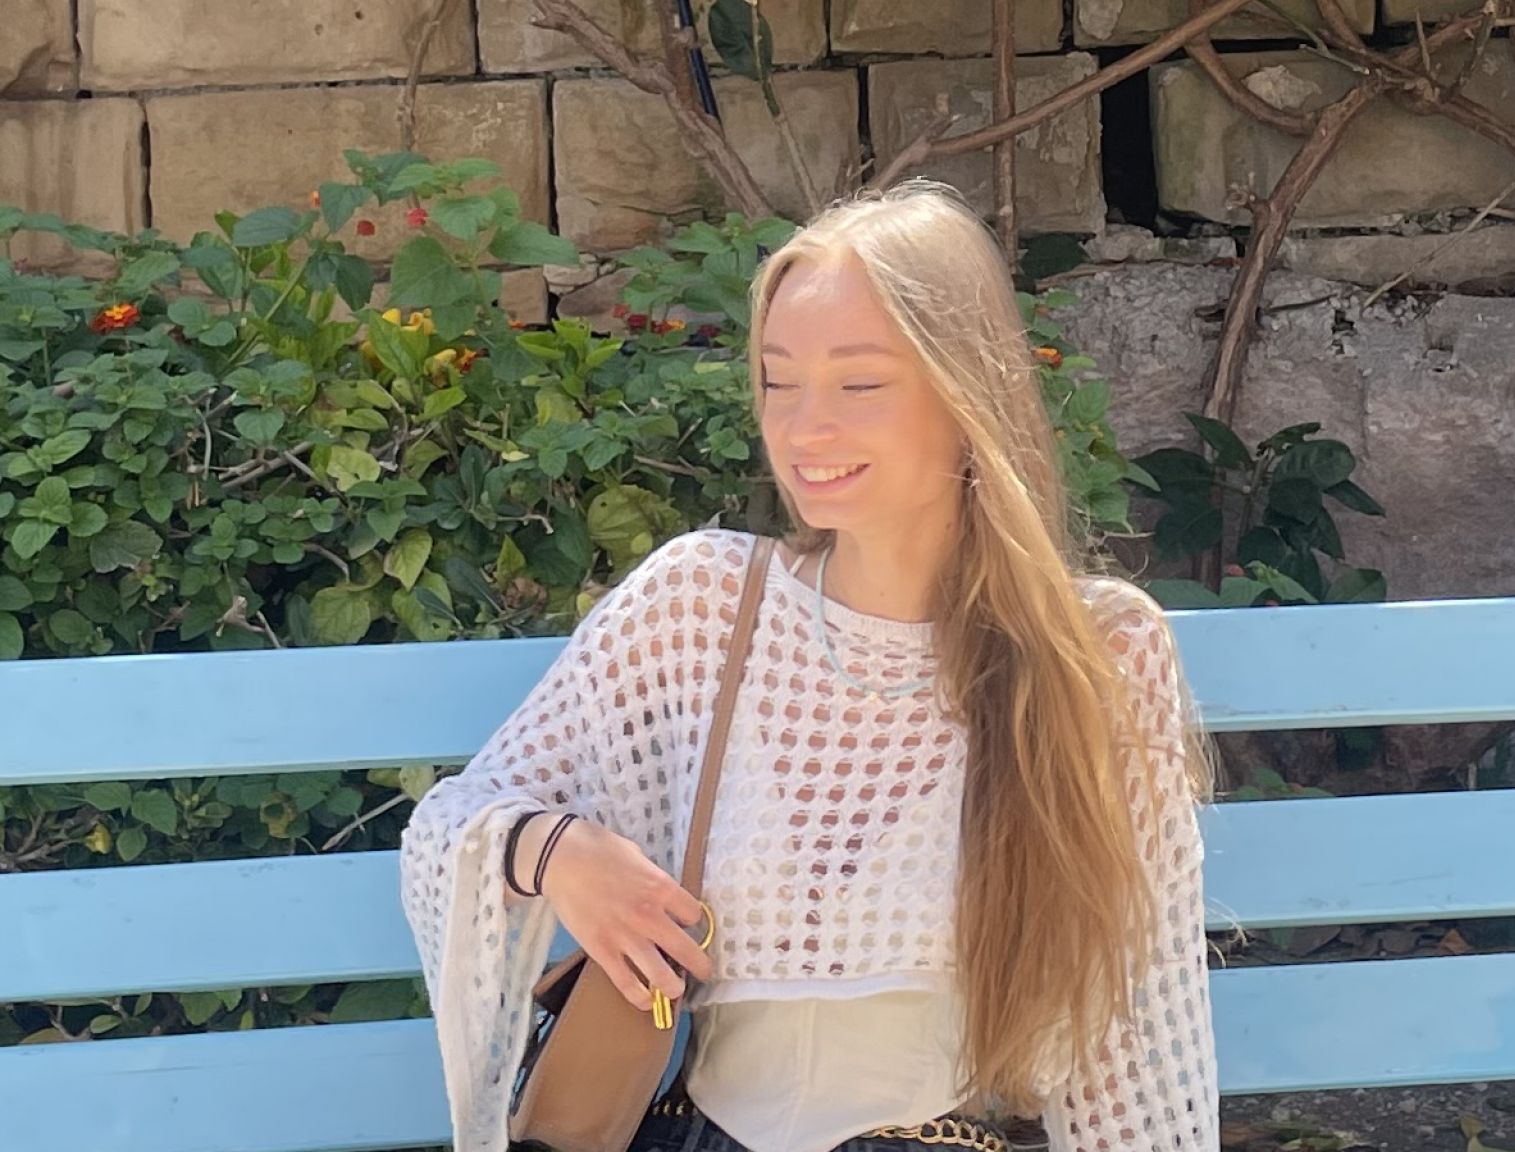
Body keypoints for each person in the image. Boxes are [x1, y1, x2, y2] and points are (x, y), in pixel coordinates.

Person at [399, 178, 1221, 1152]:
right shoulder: (702, 605)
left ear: (966, 394)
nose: (802, 427)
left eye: (858, 384)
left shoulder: (1098, 653)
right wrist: (560, 854)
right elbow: (448, 823)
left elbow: (1131, 1031)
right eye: (778, 381)